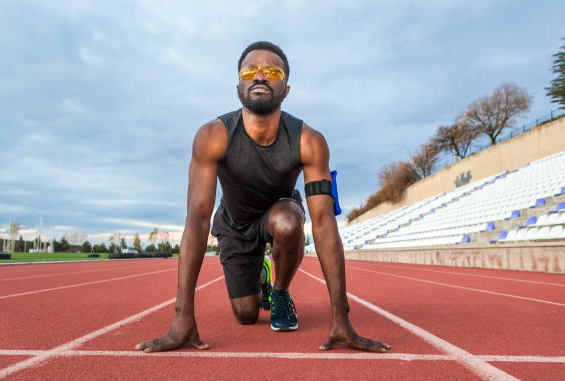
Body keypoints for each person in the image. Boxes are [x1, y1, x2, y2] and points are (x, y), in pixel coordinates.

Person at [136, 41, 390, 353]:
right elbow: (198, 219)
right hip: (234, 224)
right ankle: (261, 273)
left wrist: (341, 316)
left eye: (272, 71)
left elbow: (324, 224)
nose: (260, 76)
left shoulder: (309, 141)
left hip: (279, 211)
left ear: (286, 89)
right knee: (246, 315)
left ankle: (280, 291)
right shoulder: (212, 136)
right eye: (250, 71)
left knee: (287, 222)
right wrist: (182, 317)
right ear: (238, 85)